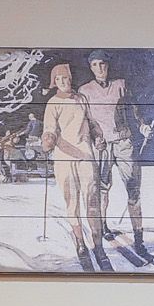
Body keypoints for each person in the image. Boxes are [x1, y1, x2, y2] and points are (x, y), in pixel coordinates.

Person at [79, 52, 149, 267]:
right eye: (95, 64)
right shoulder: (85, 91)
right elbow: (86, 119)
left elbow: (133, 109)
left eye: (103, 64)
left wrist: (142, 125)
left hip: (124, 142)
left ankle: (139, 240)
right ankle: (103, 227)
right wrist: (95, 136)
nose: (100, 68)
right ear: (91, 67)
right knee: (101, 190)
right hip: (102, 146)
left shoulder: (120, 84)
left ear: (108, 65)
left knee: (133, 189)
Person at [37, 59, 103, 269]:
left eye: (66, 77)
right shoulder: (53, 103)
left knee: (92, 201)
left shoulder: (81, 98)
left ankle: (98, 245)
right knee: (72, 204)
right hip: (65, 158)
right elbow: (49, 128)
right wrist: (47, 139)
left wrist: (98, 136)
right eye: (59, 79)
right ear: (55, 82)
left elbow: (92, 123)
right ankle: (80, 244)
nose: (64, 81)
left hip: (85, 155)